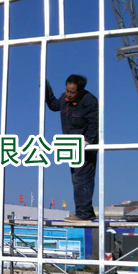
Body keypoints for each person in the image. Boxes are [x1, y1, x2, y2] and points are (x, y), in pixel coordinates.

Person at [45, 75, 99, 221]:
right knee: (76, 179)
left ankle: (83, 213)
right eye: (67, 90)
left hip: (85, 147)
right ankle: (87, 211)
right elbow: (54, 105)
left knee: (82, 179)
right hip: (71, 146)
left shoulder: (89, 101)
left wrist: (88, 141)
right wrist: (46, 88)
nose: (68, 94)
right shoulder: (65, 99)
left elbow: (94, 124)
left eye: (72, 92)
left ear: (80, 91)